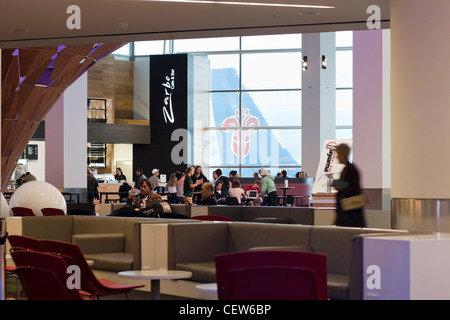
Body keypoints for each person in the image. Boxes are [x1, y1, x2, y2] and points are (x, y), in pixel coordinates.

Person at [332, 143, 366, 228]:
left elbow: (355, 189)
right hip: (347, 210)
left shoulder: (350, 169)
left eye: (338, 154)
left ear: (343, 154)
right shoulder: (346, 169)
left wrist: (341, 188)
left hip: (350, 211)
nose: (337, 157)